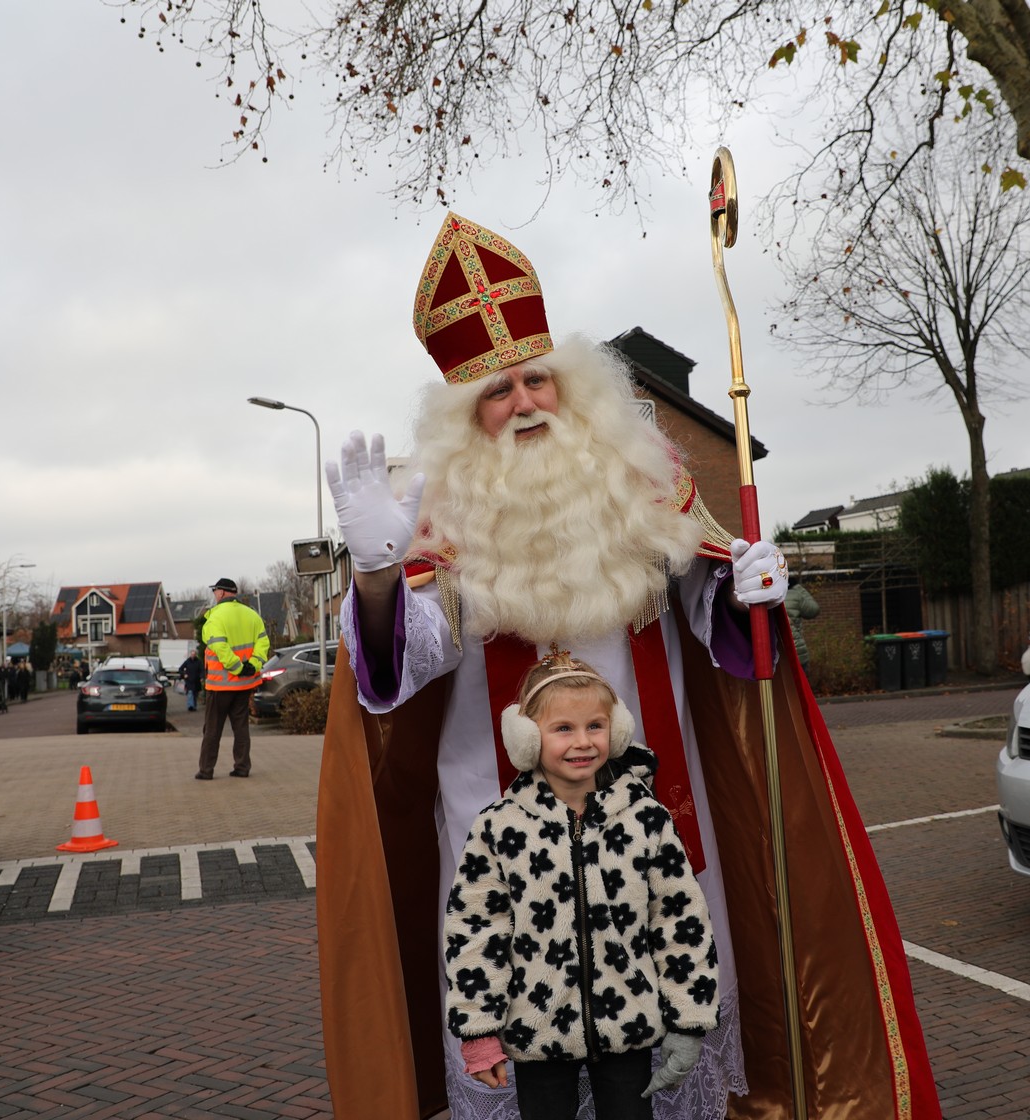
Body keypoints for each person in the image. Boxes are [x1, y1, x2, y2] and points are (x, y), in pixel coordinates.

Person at [317, 212, 939, 1120]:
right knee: (525, 1064)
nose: (525, 403)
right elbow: (398, 671)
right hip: (502, 843)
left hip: (653, 833)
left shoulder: (643, 481)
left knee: (656, 1058)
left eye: (537, 379)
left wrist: (749, 589)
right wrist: (377, 576)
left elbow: (716, 617)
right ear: (466, 415)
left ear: (569, 386)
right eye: (498, 391)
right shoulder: (436, 519)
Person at [446, 653, 718, 1120]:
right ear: (527, 739)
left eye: (595, 726)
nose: (583, 742)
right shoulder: (499, 828)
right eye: (563, 729)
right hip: (537, 1030)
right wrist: (478, 1030)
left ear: (616, 730)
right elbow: (475, 931)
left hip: (629, 1025)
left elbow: (680, 921)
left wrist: (689, 1021)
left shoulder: (646, 819)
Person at [197, 579, 269, 780]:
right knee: (241, 727)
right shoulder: (252, 614)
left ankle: (206, 770)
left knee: (212, 729)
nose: (214, 594)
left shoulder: (215, 617)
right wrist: (252, 665)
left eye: (215, 591)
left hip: (220, 685)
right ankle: (242, 767)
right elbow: (263, 642)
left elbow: (220, 647)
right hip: (244, 684)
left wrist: (236, 668)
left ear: (221, 593)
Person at [784, 578, 821, 671]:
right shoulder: (794, 595)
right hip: (797, 652)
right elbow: (814, 610)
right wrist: (796, 586)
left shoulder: (761, 597)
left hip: (772, 655)